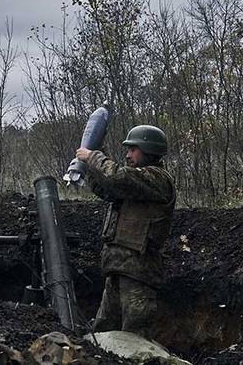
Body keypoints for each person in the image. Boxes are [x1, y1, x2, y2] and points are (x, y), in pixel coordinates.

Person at [75, 124, 176, 340]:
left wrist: (93, 156)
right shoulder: (135, 183)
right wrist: (90, 169)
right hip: (117, 271)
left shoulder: (157, 179)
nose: (128, 155)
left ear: (148, 150)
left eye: (133, 150)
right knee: (101, 336)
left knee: (135, 340)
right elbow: (107, 188)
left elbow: (117, 177)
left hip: (139, 276)